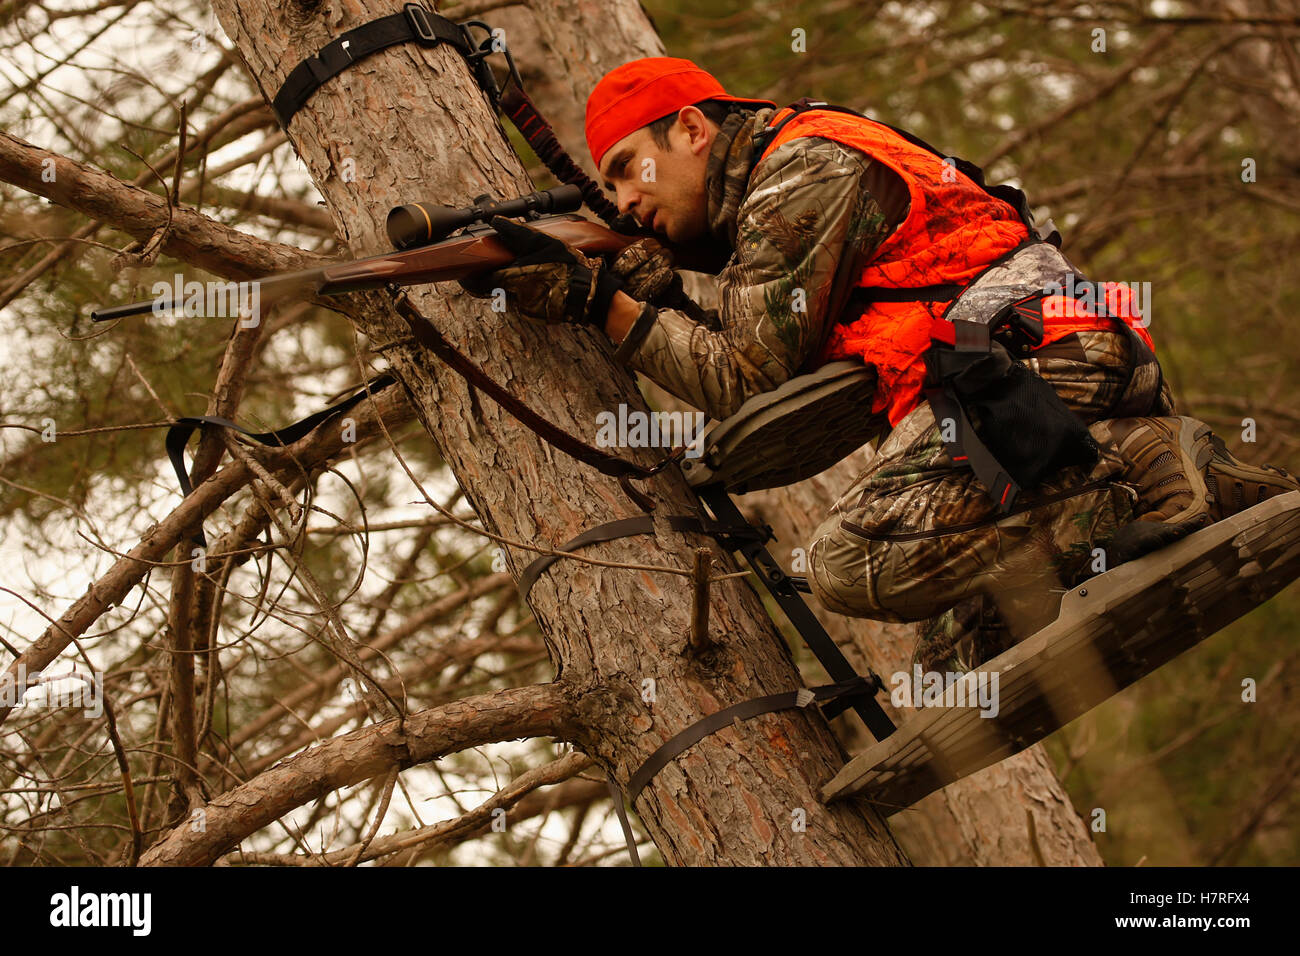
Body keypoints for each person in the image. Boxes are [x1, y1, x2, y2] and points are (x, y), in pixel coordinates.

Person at [461, 57, 1297, 672]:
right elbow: (770, 332)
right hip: (1022, 376)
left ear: (689, 128)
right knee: (956, 663)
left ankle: (1135, 478)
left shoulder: (798, 171)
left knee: (849, 564)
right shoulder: (779, 179)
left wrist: (596, 303)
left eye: (625, 170)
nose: (625, 202)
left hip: (1043, 359)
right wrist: (660, 293)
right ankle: (1124, 469)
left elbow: (748, 376)